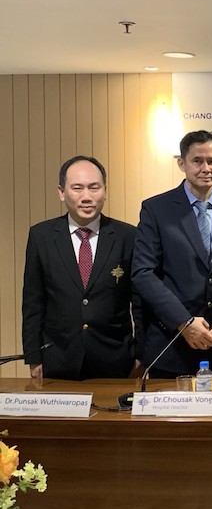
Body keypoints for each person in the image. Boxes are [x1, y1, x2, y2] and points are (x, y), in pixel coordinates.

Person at [132, 131, 212, 378]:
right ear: (182, 164)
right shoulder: (156, 209)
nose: (205, 168)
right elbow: (143, 273)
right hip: (173, 345)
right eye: (197, 161)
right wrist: (183, 323)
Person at [22, 156, 139, 380]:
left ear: (105, 191)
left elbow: (140, 303)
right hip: (57, 359)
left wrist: (141, 354)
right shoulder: (41, 236)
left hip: (116, 359)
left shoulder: (128, 236)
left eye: (94, 188)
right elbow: (33, 303)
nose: (86, 197)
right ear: (62, 192)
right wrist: (33, 357)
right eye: (77, 188)